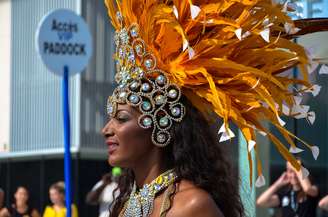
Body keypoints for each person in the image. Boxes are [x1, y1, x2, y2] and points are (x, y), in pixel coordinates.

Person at [102, 0, 327, 216]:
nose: (106, 129)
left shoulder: (192, 205)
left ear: (160, 125)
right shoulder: (127, 201)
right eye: (111, 117)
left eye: (121, 118)